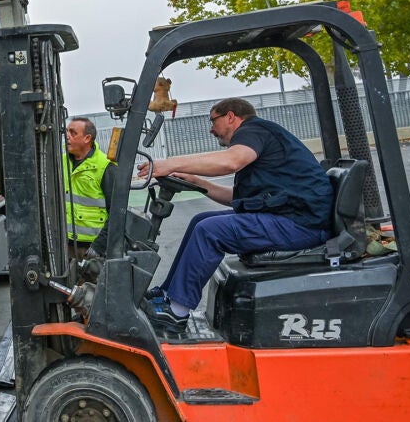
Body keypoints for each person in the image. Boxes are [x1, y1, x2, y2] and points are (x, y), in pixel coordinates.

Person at [138, 98, 332, 332]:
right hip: (292, 219)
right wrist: (198, 182)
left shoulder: (254, 130)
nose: (211, 129)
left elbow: (231, 162)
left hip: (300, 224)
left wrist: (169, 164)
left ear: (231, 116)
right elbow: (236, 198)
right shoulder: (262, 143)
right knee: (202, 221)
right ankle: (168, 295)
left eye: (213, 121)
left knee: (210, 231)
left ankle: (177, 312)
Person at [63, 116, 116, 260]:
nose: (66, 136)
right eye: (66, 131)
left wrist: (99, 246)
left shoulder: (105, 167)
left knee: (92, 283)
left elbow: (117, 212)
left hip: (92, 248)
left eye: (73, 133)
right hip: (65, 245)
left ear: (87, 138)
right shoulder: (59, 161)